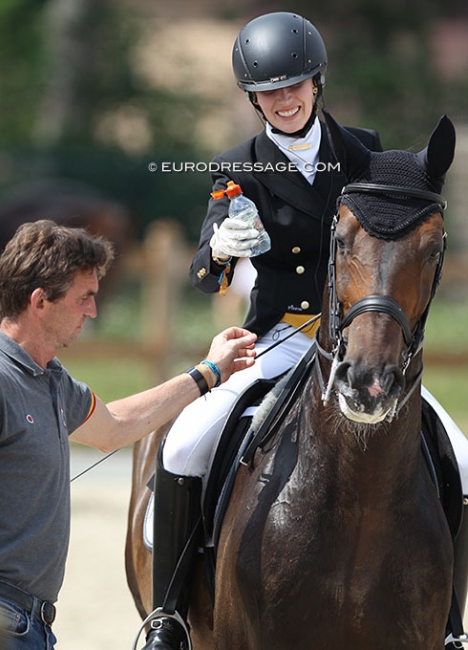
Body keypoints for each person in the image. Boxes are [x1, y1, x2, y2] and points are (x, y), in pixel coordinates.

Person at [140, 11, 468, 650]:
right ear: (252, 97)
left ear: (317, 84)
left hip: (363, 336)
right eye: (269, 91)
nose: (284, 100)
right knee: (181, 445)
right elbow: (207, 276)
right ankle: (170, 617)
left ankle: (450, 624)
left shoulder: (363, 150)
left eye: (296, 85)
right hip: (278, 338)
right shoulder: (239, 164)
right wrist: (223, 247)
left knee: (463, 457)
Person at [0, 219, 257, 650]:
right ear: (40, 302)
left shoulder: (49, 379)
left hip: (28, 621)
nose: (93, 311)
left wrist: (208, 373)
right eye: (84, 298)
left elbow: (115, 428)